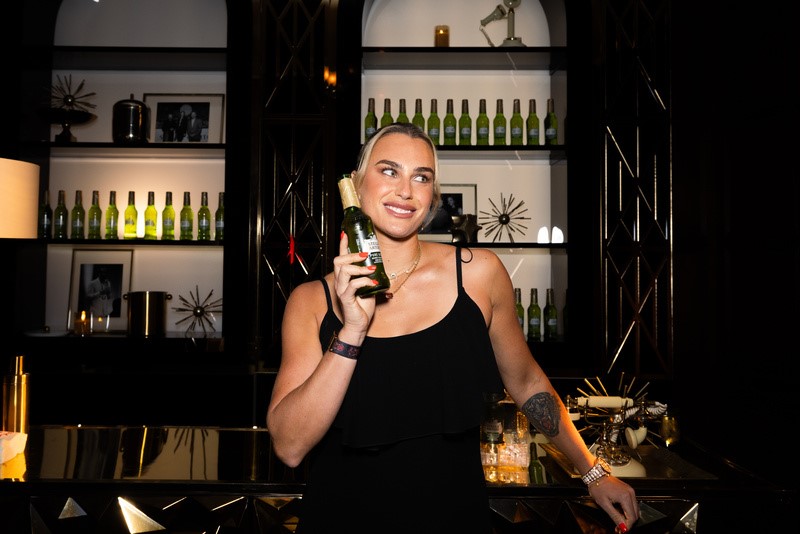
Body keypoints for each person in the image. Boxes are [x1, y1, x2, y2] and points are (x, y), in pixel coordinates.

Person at [266, 123, 640, 533]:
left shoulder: (479, 274)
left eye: (421, 177)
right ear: (355, 184)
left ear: (433, 196)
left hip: (454, 517)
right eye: (389, 171)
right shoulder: (310, 301)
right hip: (341, 520)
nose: (405, 191)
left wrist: (593, 472)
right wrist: (352, 331)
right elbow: (289, 447)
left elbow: (527, 382)